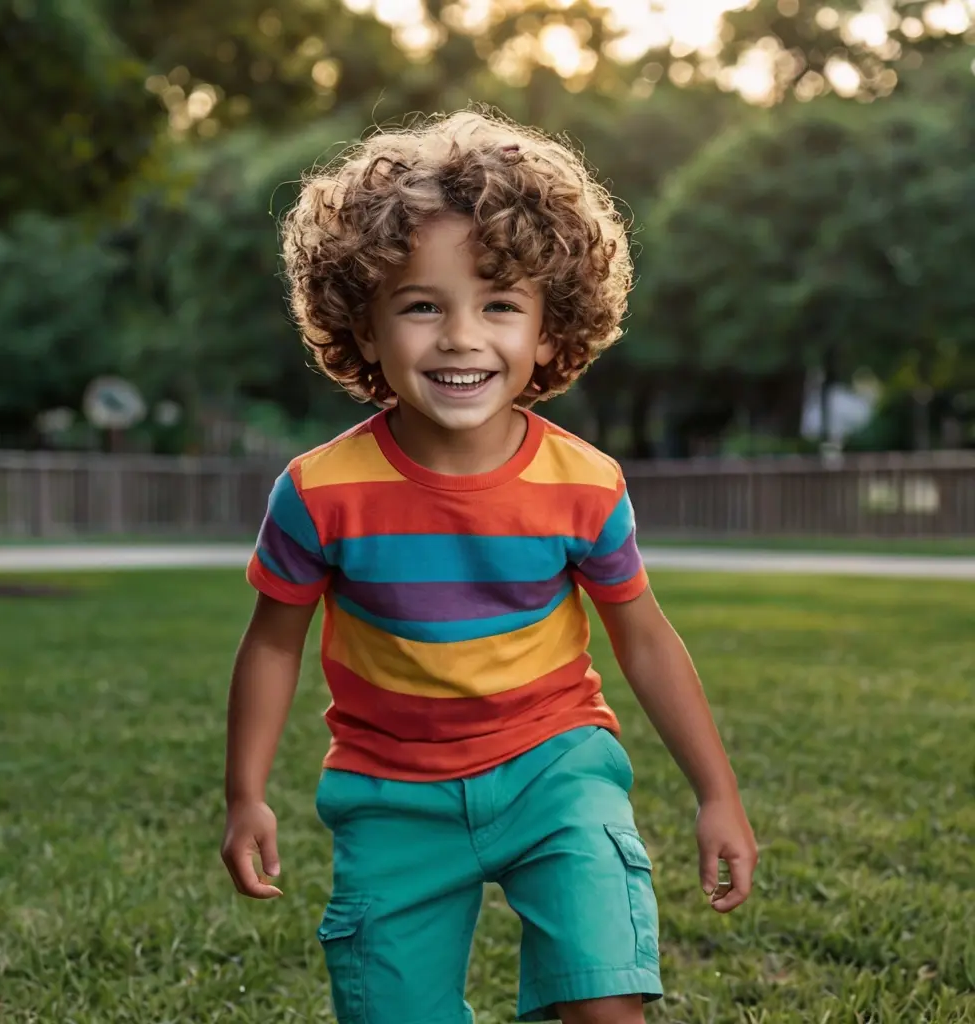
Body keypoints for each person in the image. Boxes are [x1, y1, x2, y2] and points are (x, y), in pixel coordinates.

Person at [220, 108, 757, 1024]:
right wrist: (245, 794)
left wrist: (718, 794)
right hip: (391, 794)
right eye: (422, 304)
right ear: (365, 324)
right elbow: (272, 645)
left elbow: (645, 637)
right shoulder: (318, 493)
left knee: (606, 1001)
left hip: (557, 771)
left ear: (552, 331)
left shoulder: (585, 484)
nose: (462, 336)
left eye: (500, 304)